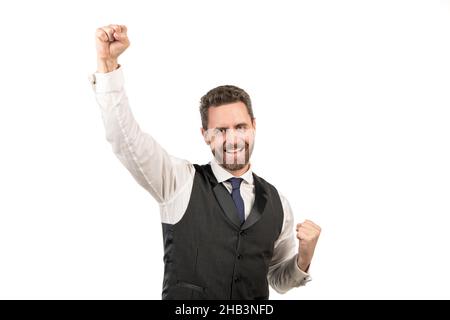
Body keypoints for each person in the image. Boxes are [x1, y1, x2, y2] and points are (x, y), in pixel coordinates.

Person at [90, 24, 321, 300]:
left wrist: (304, 258)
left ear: (253, 127)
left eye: (240, 126)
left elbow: (278, 280)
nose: (233, 138)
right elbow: (125, 140)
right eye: (221, 130)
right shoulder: (178, 182)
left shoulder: (278, 203)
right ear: (206, 136)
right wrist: (108, 65)